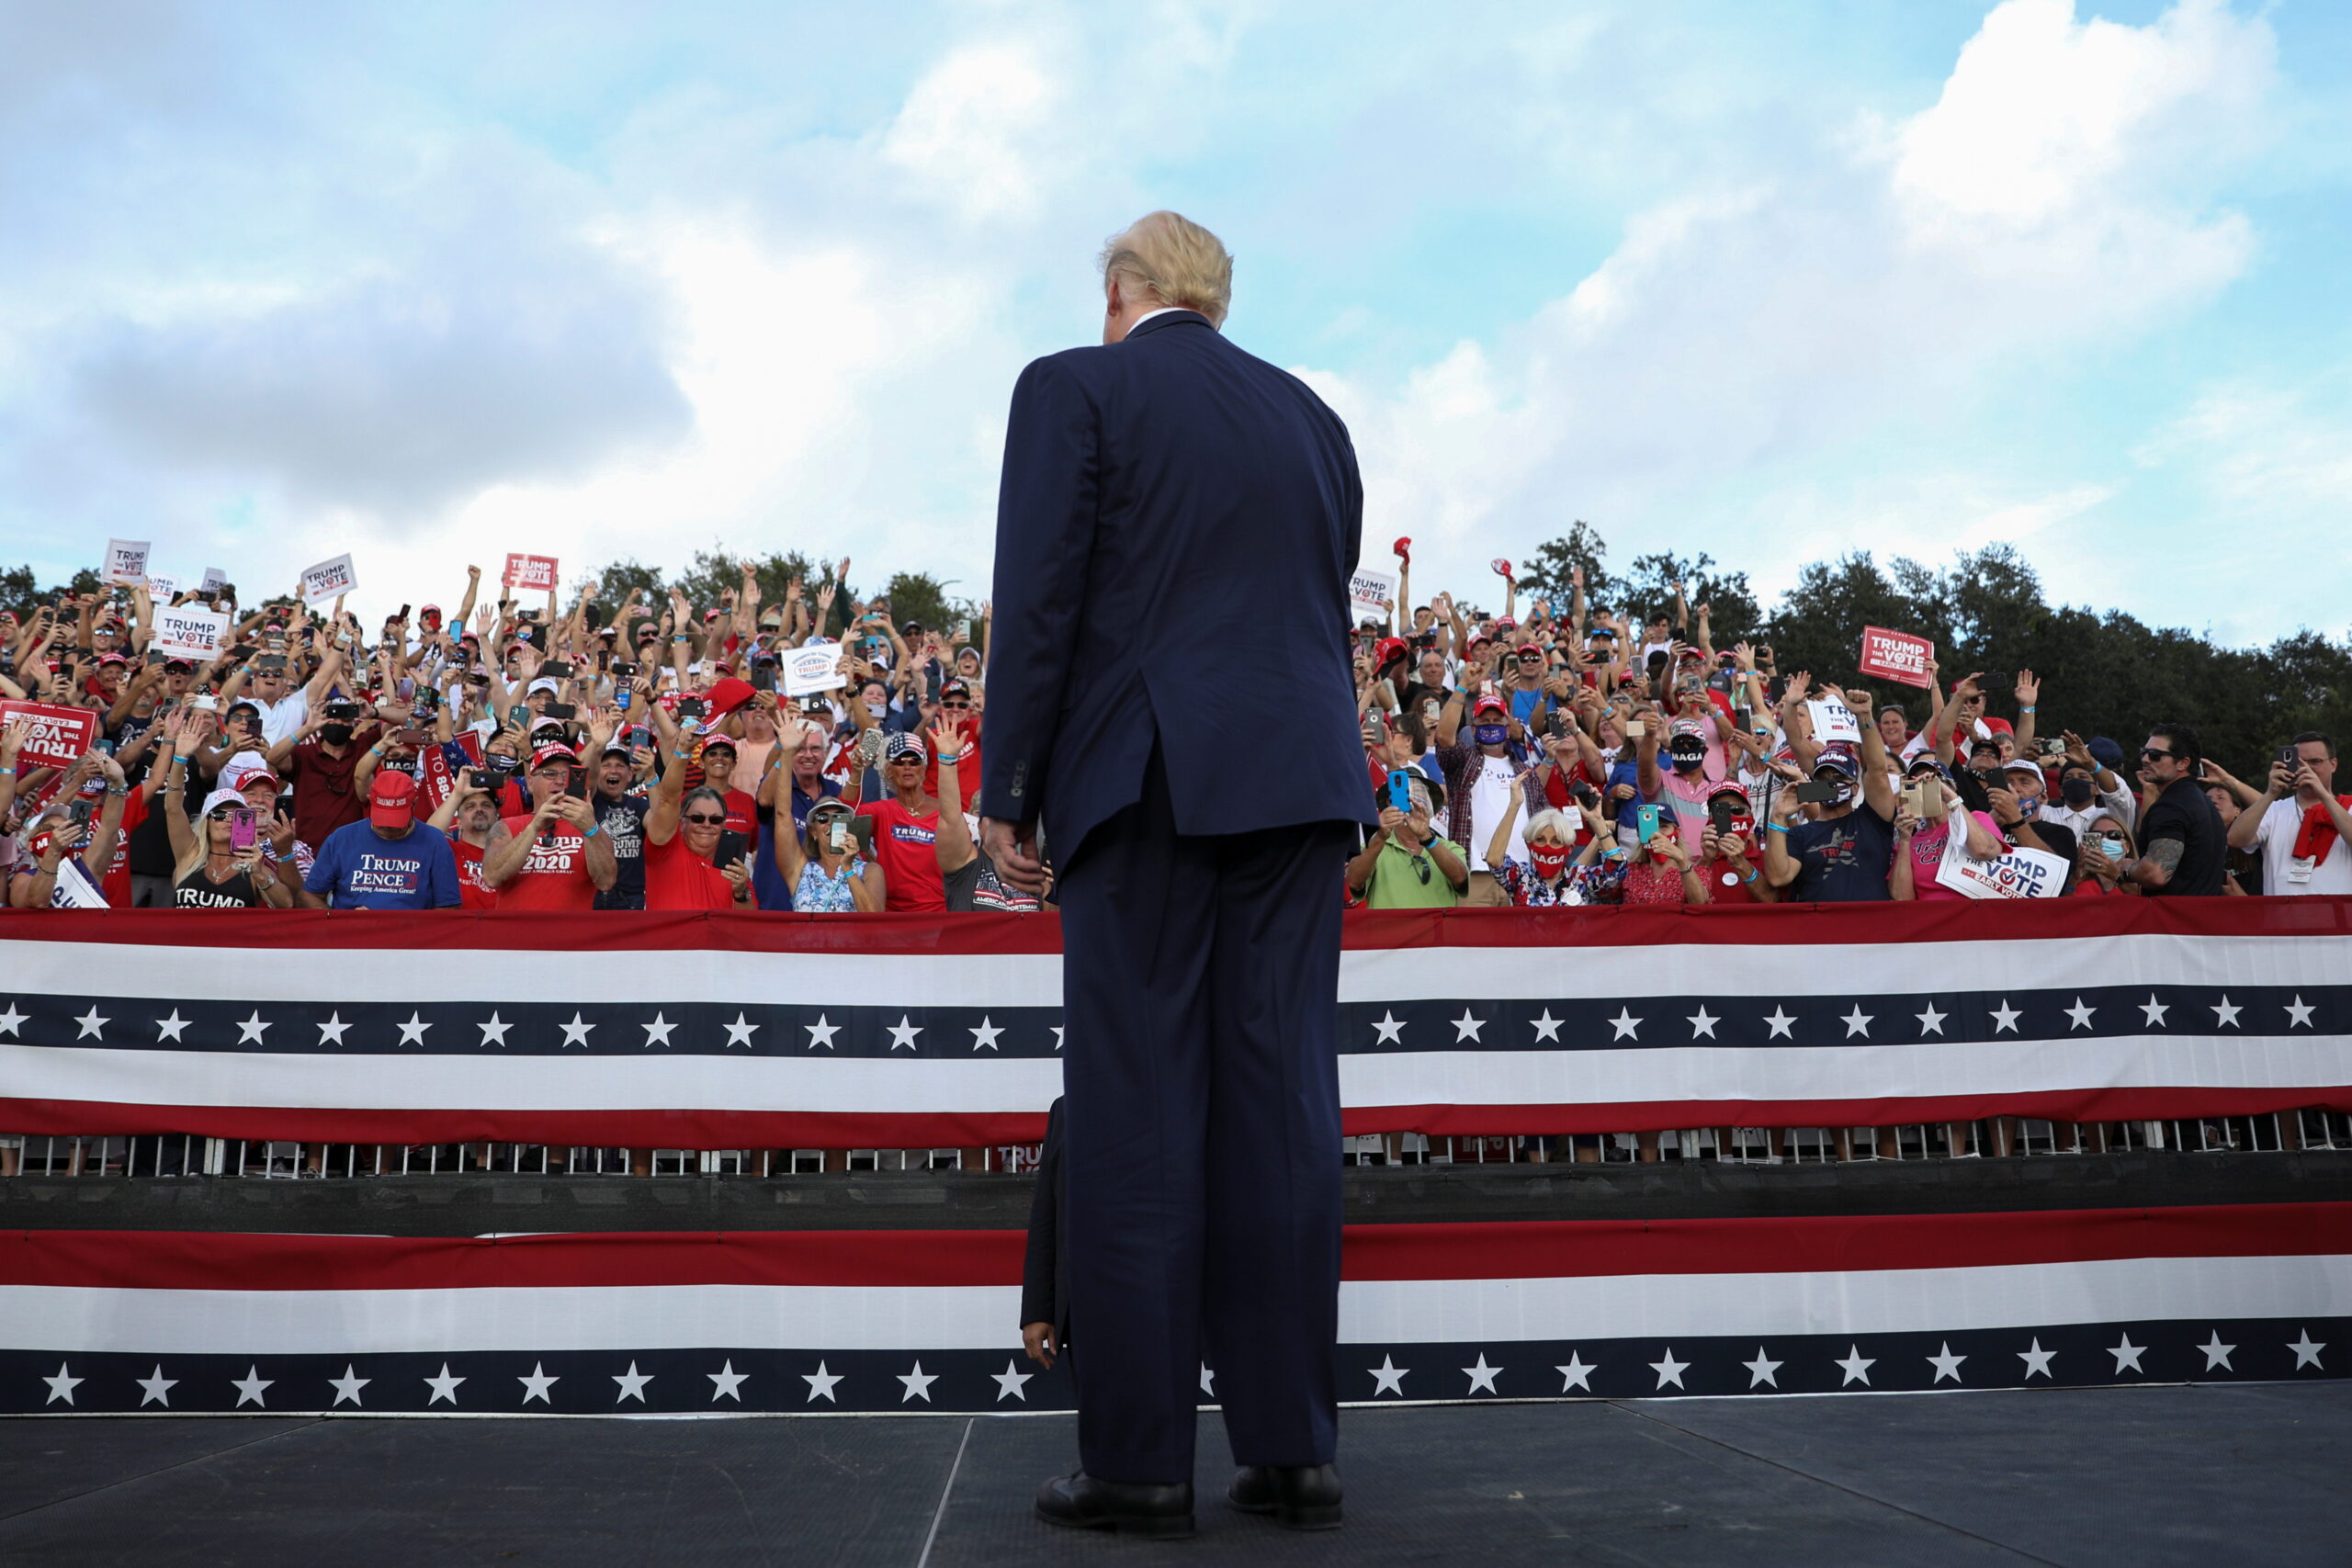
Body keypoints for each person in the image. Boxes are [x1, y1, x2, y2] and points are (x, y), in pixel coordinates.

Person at [979, 212, 1369, 1537]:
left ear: (1118, 290)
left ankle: (1142, 1459)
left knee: (1139, 1105)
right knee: (1282, 1104)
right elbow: (1321, 605)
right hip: (1304, 780)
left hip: (1146, 776)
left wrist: (1007, 790)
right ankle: (1291, 1447)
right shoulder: (1313, 418)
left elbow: (1039, 601)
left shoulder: (1074, 383)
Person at [300, 773, 461, 910]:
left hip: (411, 941)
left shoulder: (434, 842)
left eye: (396, 822)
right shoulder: (342, 838)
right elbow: (309, 895)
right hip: (354, 940)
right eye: (382, 821)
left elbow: (449, 907)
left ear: (414, 804)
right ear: (370, 801)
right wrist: (343, 921)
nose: (388, 829)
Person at [2226, 733, 2352, 897]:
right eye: (2299, 763)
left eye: (2315, 762)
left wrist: (2323, 795)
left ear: (2333, 764)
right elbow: (2235, 839)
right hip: (2282, 919)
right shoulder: (2274, 810)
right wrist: (2270, 793)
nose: (2306, 769)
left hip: (2339, 920)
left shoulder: (2348, 808)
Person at [2125, 724, 2226, 896]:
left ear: (2183, 763)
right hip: (2203, 915)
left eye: (2155, 755)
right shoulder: (2203, 802)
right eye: (2144, 752)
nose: (2145, 759)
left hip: (2173, 917)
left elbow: (2155, 873)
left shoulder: (2172, 805)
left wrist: (2126, 868)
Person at [1347, 771, 1468, 908]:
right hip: (1390, 928)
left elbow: (1460, 880)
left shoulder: (1449, 848)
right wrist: (1380, 836)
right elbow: (1354, 882)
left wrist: (1427, 839)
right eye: (1406, 794)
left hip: (1435, 928)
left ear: (1429, 804)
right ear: (1389, 803)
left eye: (1419, 794)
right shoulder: (1374, 847)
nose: (1413, 800)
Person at [857, 731, 948, 913]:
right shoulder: (880, 811)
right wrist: (856, 771)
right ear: (889, 770)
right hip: (893, 916)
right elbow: (843, 819)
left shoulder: (945, 812)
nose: (907, 766)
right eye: (899, 762)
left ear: (924, 768)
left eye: (914, 761)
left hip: (937, 913)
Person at [164, 784, 295, 908]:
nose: (229, 819)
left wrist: (260, 876)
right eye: (220, 815)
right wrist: (180, 760)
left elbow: (287, 905)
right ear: (207, 823)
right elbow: (173, 808)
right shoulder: (190, 856)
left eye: (237, 815)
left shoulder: (255, 868)